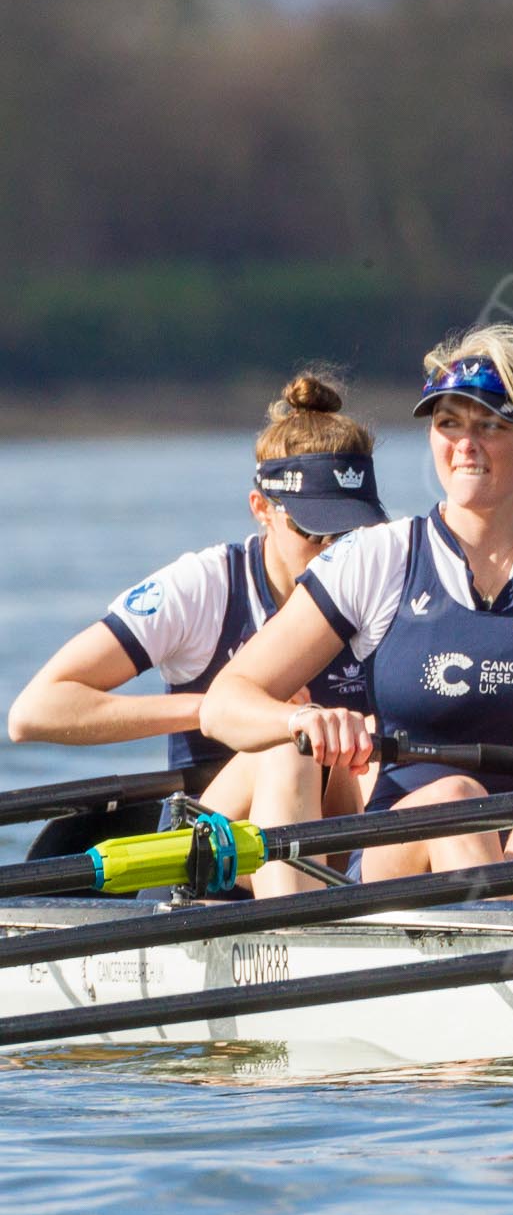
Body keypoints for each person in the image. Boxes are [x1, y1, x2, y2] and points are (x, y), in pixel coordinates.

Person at [200, 325, 513, 883]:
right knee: (456, 798)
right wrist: (302, 717)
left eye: (491, 425)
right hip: (403, 848)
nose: (465, 445)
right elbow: (224, 705)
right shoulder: (378, 557)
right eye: (447, 424)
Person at [6, 373, 388, 897]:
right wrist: (221, 707)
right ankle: (294, 936)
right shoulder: (206, 586)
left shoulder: (384, 573)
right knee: (289, 746)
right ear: (261, 510)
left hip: (332, 834)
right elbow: (34, 713)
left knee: (377, 753)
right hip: (206, 854)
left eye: (348, 532)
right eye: (310, 530)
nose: (331, 551)